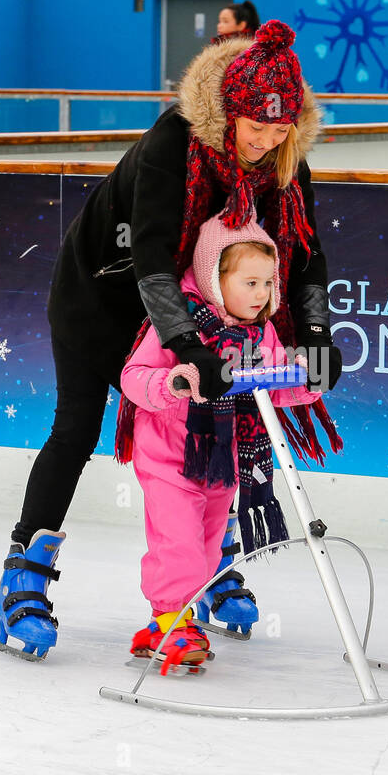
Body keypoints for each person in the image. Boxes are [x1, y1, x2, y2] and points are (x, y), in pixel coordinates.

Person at [0, 20, 343, 663]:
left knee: (222, 426)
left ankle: (205, 569)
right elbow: (152, 254)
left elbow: (307, 253)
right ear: (227, 111)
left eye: (278, 129)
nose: (264, 142)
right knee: (75, 430)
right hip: (103, 295)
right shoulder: (172, 145)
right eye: (254, 128)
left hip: (195, 307)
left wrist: (315, 333)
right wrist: (184, 344)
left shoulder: (283, 160)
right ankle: (23, 579)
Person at [116, 213, 321, 674]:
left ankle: (159, 628)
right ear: (214, 279)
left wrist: (308, 382)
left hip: (219, 461)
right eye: (250, 282)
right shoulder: (179, 326)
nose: (262, 294)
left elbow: (268, 384)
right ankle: (172, 617)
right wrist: (177, 381)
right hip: (169, 456)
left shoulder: (260, 333)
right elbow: (133, 378)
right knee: (179, 545)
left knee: (208, 549)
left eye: (268, 284)